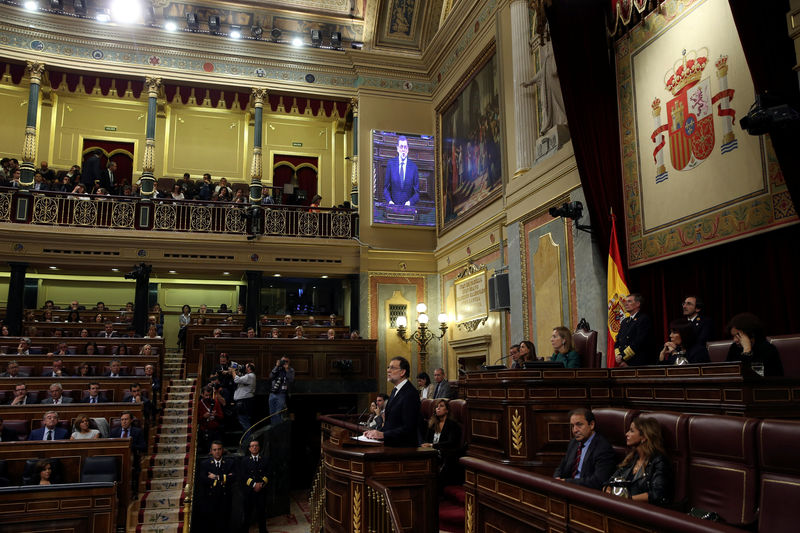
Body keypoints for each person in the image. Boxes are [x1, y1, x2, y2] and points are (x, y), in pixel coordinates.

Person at [604, 416, 672, 506]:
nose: (626, 434)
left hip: (644, 510)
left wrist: (628, 499)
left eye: (631, 431)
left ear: (644, 437)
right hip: (623, 505)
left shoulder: (659, 460)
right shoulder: (632, 457)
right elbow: (610, 481)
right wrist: (607, 490)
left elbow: (657, 495)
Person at [553, 408, 616, 489]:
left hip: (587, 493)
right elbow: (561, 467)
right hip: (568, 488)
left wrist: (566, 482)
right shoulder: (574, 443)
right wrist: (557, 478)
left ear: (592, 425)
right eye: (572, 426)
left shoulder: (603, 448)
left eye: (579, 425)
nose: (575, 430)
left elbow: (598, 481)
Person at [364, 356, 420, 447]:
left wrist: (383, 435)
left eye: (392, 368)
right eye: (388, 367)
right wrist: (375, 433)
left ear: (402, 372)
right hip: (391, 444)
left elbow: (409, 428)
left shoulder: (410, 393)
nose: (388, 370)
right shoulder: (395, 390)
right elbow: (390, 424)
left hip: (404, 448)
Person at [421, 398, 463, 486]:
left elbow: (451, 442)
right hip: (432, 454)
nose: (438, 408)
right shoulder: (432, 423)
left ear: (447, 410)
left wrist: (432, 445)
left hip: (446, 454)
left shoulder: (453, 425)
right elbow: (426, 440)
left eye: (441, 406)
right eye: (436, 407)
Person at [197, 441, 236, 533]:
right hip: (210, 499)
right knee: (211, 524)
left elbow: (234, 477)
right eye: (215, 450)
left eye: (219, 449)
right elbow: (203, 479)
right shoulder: (205, 464)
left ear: (222, 450)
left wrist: (216, 477)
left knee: (225, 523)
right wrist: (223, 479)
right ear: (211, 451)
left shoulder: (229, 462)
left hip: (225, 498)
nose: (217, 452)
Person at [614, 293, 655, 367]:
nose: (626, 304)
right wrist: (618, 357)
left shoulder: (643, 319)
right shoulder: (624, 321)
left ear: (638, 304)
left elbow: (638, 342)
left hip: (637, 363)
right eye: (625, 302)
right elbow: (618, 341)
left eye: (629, 301)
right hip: (623, 362)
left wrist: (622, 357)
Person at [239, 438, 269, 533]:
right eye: (252, 446)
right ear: (249, 449)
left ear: (259, 447)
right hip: (249, 491)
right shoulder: (244, 461)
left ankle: (263, 531)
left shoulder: (265, 459)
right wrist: (254, 484)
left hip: (261, 490)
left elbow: (268, 473)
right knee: (247, 513)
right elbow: (243, 475)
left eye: (256, 445)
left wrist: (261, 484)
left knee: (262, 513)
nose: (254, 447)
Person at [383, 135, 420, 206]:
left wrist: (409, 202)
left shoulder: (413, 167)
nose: (403, 150)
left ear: (408, 149)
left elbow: (417, 193)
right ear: (397, 149)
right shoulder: (391, 164)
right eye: (401, 147)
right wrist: (390, 202)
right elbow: (386, 189)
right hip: (393, 207)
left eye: (405, 147)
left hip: (408, 209)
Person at [231, 363, 256, 433]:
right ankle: (247, 440)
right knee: (244, 422)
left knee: (244, 422)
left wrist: (233, 371)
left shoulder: (250, 376)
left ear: (249, 368)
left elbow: (236, 380)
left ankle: (248, 441)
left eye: (245, 366)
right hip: (243, 402)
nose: (244, 368)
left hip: (244, 403)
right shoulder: (248, 376)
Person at [268, 356, 294, 423]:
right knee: (271, 414)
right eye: (283, 361)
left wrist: (286, 370)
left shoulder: (290, 370)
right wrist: (276, 366)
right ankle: (274, 428)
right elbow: (270, 377)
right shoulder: (277, 368)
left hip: (281, 394)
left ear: (289, 362)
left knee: (278, 413)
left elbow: (291, 380)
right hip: (272, 393)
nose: (284, 362)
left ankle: (278, 430)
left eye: (286, 361)